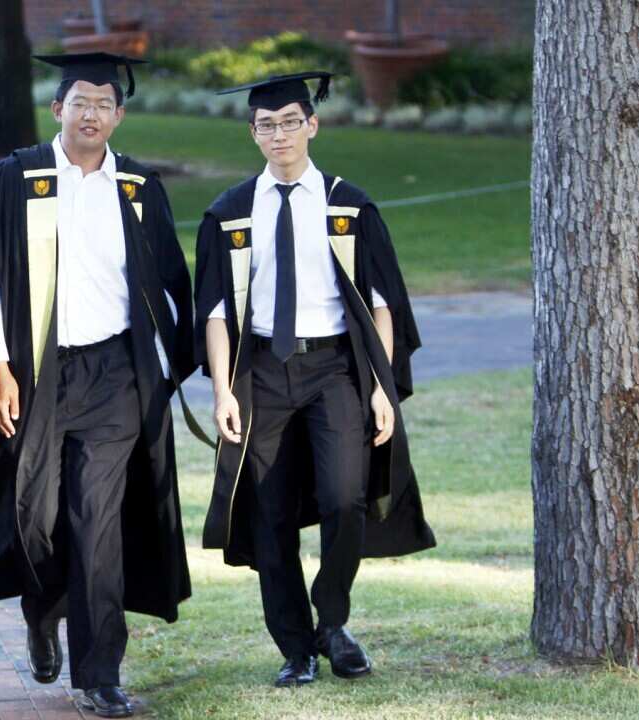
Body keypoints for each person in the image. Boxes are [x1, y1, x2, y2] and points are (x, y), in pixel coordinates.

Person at [0, 53, 196, 718]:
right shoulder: (14, 179)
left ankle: (98, 673)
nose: (91, 114)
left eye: (103, 104)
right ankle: (42, 608)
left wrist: (163, 367)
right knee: (38, 515)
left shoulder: (138, 188)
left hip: (113, 375)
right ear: (57, 109)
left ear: (118, 115)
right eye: (79, 102)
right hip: (32, 374)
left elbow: (167, 279)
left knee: (98, 521)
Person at [194, 72, 436, 687]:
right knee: (268, 512)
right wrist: (222, 389)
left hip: (334, 369)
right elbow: (217, 313)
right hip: (262, 375)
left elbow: (383, 304)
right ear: (253, 132)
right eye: (267, 124)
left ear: (313, 125)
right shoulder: (229, 214)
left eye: (290, 121)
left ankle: (332, 622)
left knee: (343, 496)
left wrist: (381, 386)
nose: (279, 133)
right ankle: (296, 648)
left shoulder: (348, 206)